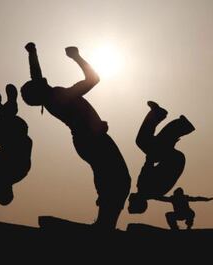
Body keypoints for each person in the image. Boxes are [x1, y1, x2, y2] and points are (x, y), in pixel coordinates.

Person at [20, 42, 131, 229]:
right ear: (38, 91)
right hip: (92, 140)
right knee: (117, 179)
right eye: (36, 84)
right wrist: (76, 57)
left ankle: (105, 222)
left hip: (87, 141)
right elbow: (93, 79)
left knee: (110, 178)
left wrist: (32, 53)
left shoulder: (51, 98)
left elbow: (35, 75)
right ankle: (105, 224)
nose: (40, 79)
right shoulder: (58, 97)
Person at [128, 101, 195, 214]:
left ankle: (177, 123)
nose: (128, 200)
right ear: (138, 201)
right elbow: (149, 162)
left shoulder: (150, 193)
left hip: (175, 161)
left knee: (151, 146)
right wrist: (155, 148)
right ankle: (173, 122)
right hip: (173, 160)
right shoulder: (144, 187)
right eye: (130, 203)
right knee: (143, 142)